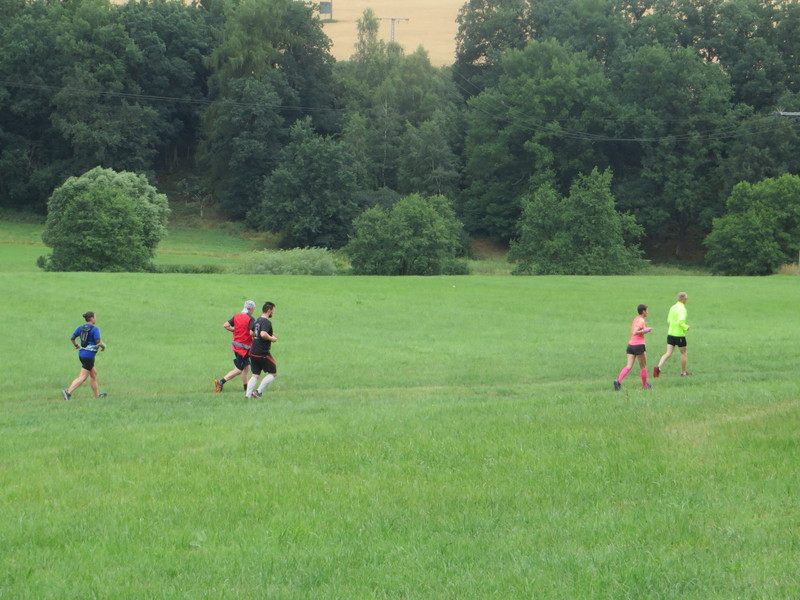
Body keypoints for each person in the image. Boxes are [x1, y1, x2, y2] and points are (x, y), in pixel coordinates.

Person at [63, 311, 107, 400]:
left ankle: (97, 395)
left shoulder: (80, 328)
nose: (95, 319)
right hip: (89, 356)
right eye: (95, 317)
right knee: (83, 377)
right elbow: (98, 342)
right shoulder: (95, 329)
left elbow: (72, 338)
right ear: (92, 318)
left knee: (93, 374)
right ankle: (68, 392)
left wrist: (76, 345)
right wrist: (104, 346)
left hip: (82, 354)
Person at [214, 300, 256, 393]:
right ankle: (220, 382)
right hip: (244, 348)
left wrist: (234, 330)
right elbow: (251, 333)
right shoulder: (251, 319)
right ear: (251, 308)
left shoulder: (237, 316)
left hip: (236, 345)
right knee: (239, 369)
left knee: (246, 367)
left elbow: (226, 325)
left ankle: (246, 388)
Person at [613, 304, 653, 391]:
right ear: (643, 311)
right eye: (647, 311)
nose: (648, 312)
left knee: (629, 366)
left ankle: (618, 382)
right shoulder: (641, 320)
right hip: (639, 345)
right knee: (643, 366)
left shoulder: (636, 318)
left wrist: (645, 329)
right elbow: (635, 332)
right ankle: (645, 385)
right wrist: (644, 330)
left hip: (631, 345)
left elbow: (635, 329)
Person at [654, 292, 691, 378]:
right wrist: (686, 327)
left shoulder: (672, 307)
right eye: (686, 299)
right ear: (683, 299)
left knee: (668, 353)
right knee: (684, 353)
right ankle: (683, 372)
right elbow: (680, 321)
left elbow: (669, 320)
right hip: (679, 335)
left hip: (670, 333)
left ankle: (658, 367)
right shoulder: (682, 309)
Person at [246, 302, 278, 399]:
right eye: (273, 310)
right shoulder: (266, 322)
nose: (273, 313)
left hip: (253, 351)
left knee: (255, 375)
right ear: (269, 310)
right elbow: (263, 334)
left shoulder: (257, 320)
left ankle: (247, 396)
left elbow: (251, 332)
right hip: (262, 352)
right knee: (273, 373)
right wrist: (272, 338)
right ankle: (258, 392)